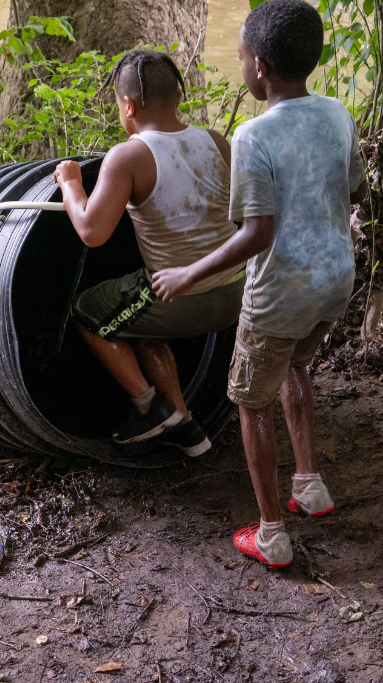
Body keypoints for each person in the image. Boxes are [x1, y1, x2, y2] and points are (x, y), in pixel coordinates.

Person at [152, 0, 368, 569]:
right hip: (334, 282)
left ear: (261, 67)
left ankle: (271, 534)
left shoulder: (254, 133)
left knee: (251, 402)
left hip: (281, 292)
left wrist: (188, 273)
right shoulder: (338, 114)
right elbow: (356, 194)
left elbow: (255, 234)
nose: (240, 63)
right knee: (296, 367)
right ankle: (310, 486)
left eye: (242, 54)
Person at [54, 48, 246, 458]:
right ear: (179, 95)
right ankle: (187, 427)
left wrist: (71, 182)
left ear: (128, 106)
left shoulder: (129, 155)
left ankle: (149, 407)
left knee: (89, 311)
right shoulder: (215, 141)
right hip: (234, 293)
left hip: (182, 299)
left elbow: (91, 231)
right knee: (138, 319)